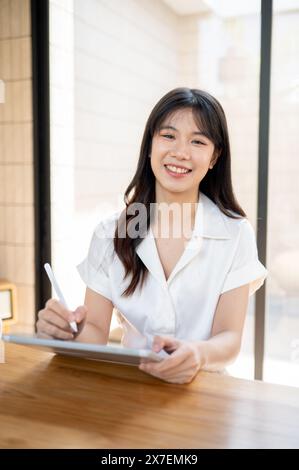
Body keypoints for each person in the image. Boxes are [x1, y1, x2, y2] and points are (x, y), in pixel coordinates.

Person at [37, 87, 268, 384]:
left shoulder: (236, 234)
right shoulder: (111, 233)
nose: (180, 152)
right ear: (149, 145)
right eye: (168, 136)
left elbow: (229, 338)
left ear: (214, 157)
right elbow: (94, 330)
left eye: (198, 141)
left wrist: (198, 354)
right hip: (131, 389)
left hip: (205, 391)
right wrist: (63, 333)